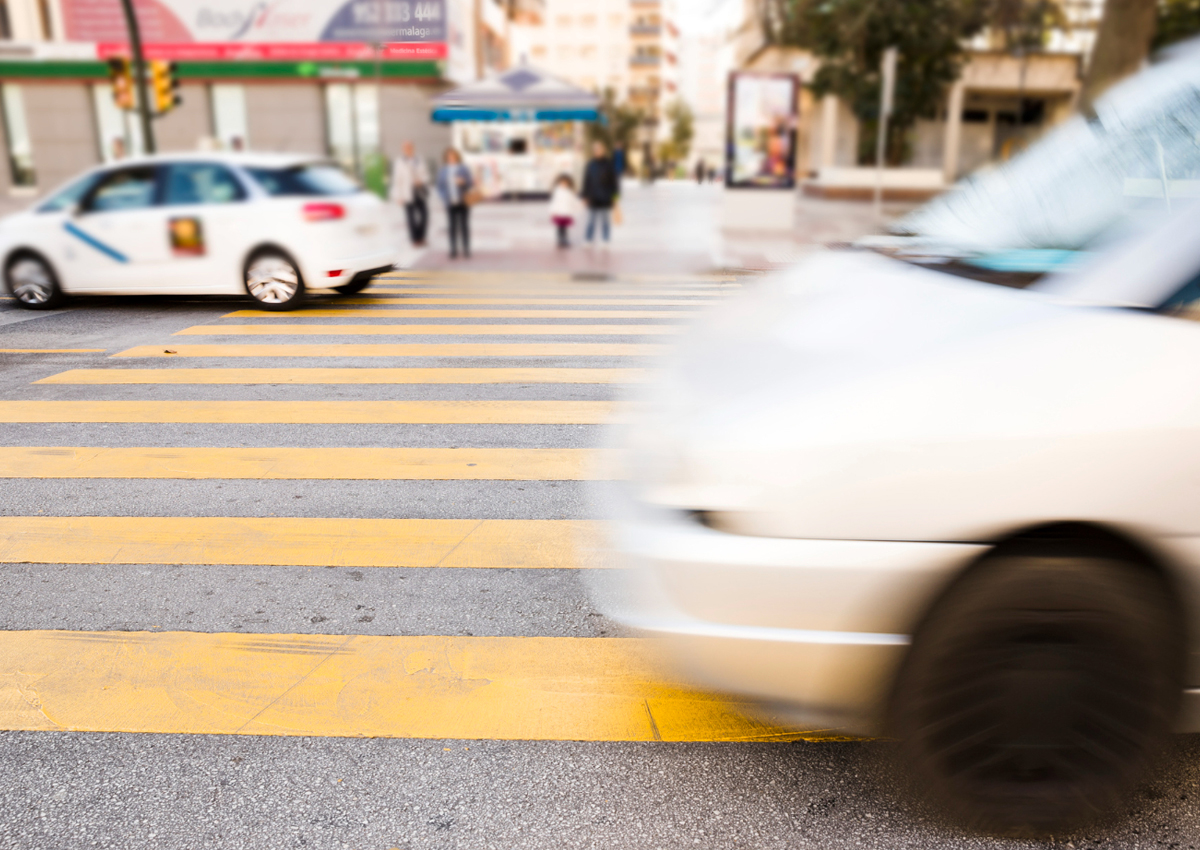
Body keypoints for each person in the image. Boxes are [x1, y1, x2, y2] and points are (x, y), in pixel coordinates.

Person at [436, 147, 474, 259]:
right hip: (450, 202)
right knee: (452, 227)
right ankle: (453, 249)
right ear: (446, 157)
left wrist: (464, 182)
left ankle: (466, 249)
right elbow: (440, 186)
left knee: (464, 226)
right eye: (449, 156)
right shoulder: (443, 170)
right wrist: (444, 197)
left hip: (463, 201)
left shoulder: (463, 168)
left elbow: (470, 183)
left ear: (457, 156)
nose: (451, 158)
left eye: (453, 156)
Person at [391, 141, 430, 247]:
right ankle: (415, 240)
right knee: (411, 218)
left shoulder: (419, 159)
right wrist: (398, 196)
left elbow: (426, 175)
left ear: (413, 148)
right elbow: (397, 180)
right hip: (407, 193)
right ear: (403, 149)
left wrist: (421, 180)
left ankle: (421, 237)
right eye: (405, 147)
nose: (407, 149)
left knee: (424, 215)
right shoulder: (399, 162)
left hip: (419, 191)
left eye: (409, 147)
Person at [581, 141, 618, 246]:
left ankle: (606, 240)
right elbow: (586, 181)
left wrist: (615, 198)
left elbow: (614, 183)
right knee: (591, 220)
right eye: (595, 149)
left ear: (603, 150)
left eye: (599, 149)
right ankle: (588, 239)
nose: (597, 151)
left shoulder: (609, 164)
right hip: (593, 197)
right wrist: (584, 196)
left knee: (605, 221)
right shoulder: (590, 164)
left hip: (606, 198)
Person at [548, 173, 580, 248]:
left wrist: (580, 204)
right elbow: (554, 202)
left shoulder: (570, 192)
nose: (564, 184)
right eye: (562, 182)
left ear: (568, 183)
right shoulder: (557, 191)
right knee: (559, 228)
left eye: (566, 183)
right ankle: (560, 240)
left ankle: (565, 240)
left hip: (566, 212)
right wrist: (553, 211)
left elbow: (573, 201)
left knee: (565, 228)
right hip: (559, 213)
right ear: (559, 182)